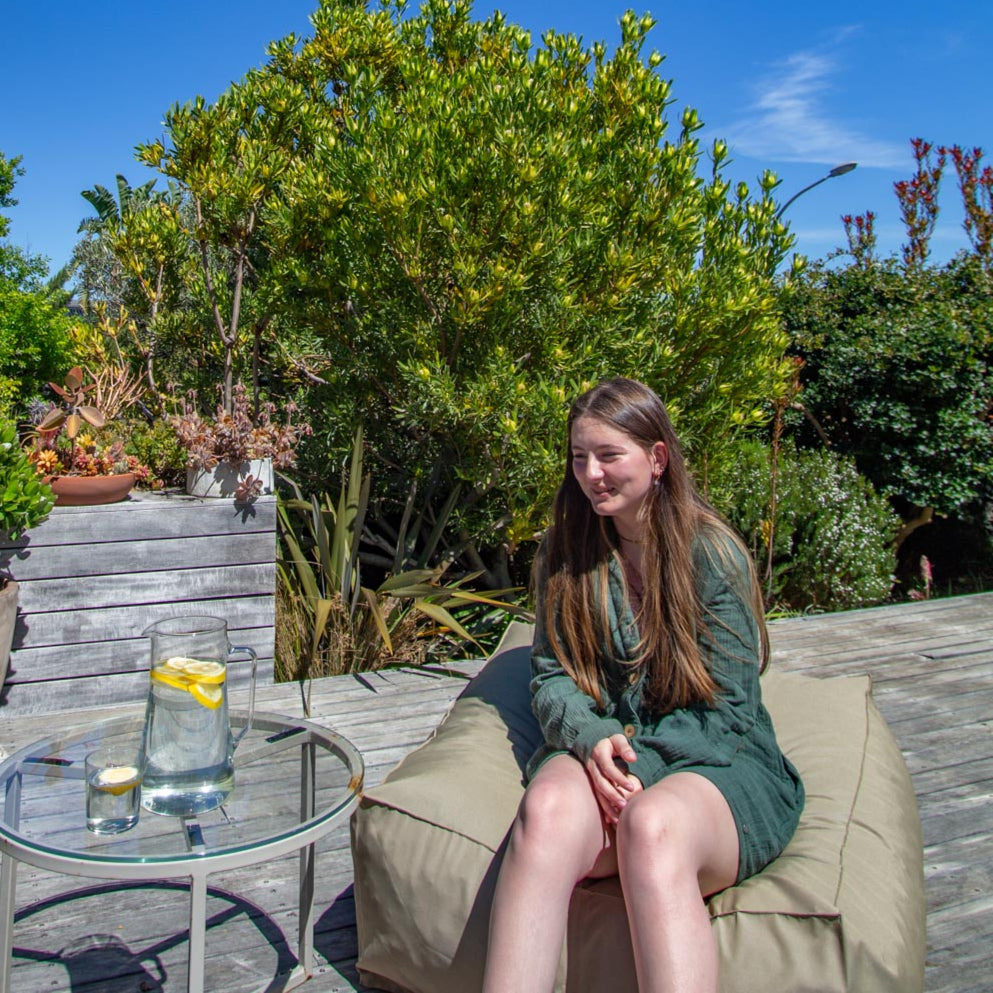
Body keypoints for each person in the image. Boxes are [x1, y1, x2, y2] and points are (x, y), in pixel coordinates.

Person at [481, 377, 804, 993]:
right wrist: (591, 736)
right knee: (546, 810)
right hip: (610, 750)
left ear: (657, 459)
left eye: (609, 456)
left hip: (718, 763)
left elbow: (730, 712)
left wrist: (639, 770)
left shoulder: (712, 556)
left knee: (649, 825)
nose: (591, 473)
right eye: (580, 457)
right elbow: (550, 675)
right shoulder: (565, 550)